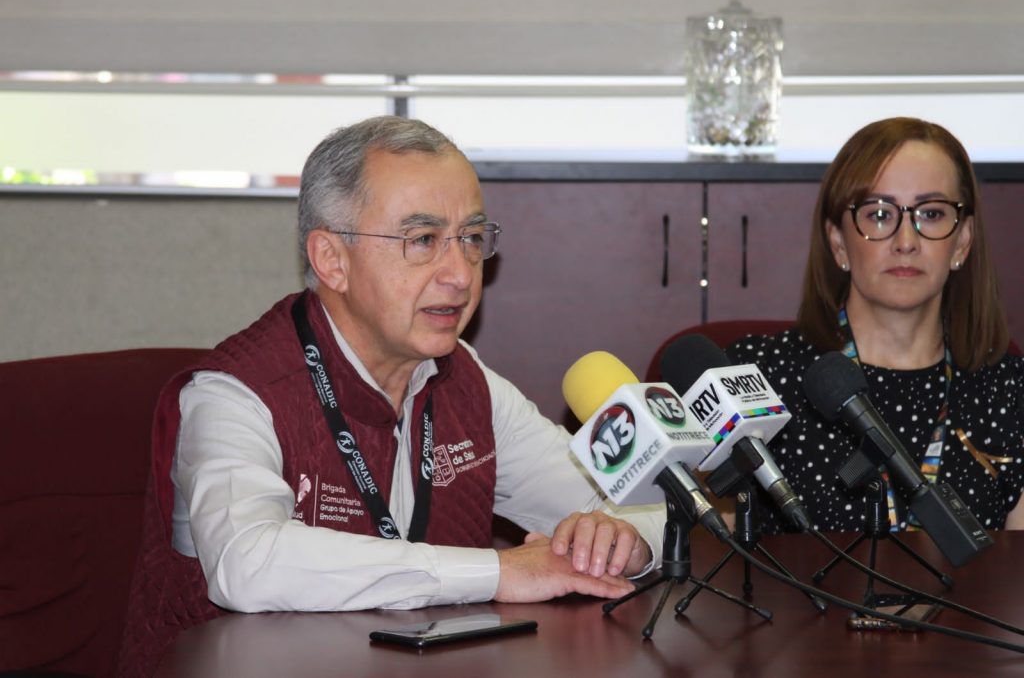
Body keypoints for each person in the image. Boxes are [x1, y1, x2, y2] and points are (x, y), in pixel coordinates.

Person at [119, 116, 664, 675]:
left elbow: (645, 500)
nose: (461, 275)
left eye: (471, 239)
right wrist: (500, 572)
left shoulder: (463, 379)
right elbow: (248, 563)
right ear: (332, 260)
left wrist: (623, 540)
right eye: (423, 241)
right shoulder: (234, 394)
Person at [726, 117, 1024, 534]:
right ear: (837, 242)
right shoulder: (757, 377)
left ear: (962, 241)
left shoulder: (1009, 391)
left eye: (931, 214)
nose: (906, 242)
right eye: (880, 214)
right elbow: (697, 531)